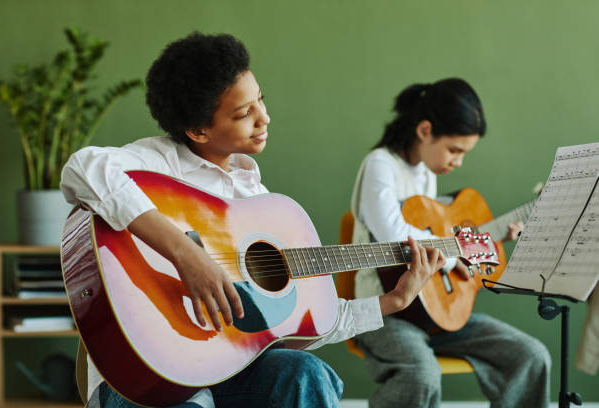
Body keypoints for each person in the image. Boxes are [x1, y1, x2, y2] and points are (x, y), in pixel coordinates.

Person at [60, 32, 446, 408]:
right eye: (244, 113)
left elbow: (306, 323)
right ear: (198, 130)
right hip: (149, 376)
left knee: (306, 374)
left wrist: (393, 301)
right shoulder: (159, 164)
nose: (264, 118)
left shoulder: (258, 204)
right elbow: (83, 167)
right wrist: (185, 255)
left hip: (231, 370)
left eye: (260, 100)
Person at [350, 78, 551, 408]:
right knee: (420, 374)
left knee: (530, 355)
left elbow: (437, 248)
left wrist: (487, 242)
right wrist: (456, 249)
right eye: (455, 150)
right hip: (384, 312)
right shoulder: (380, 165)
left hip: (433, 313)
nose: (458, 161)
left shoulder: (427, 174)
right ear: (425, 130)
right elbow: (396, 236)